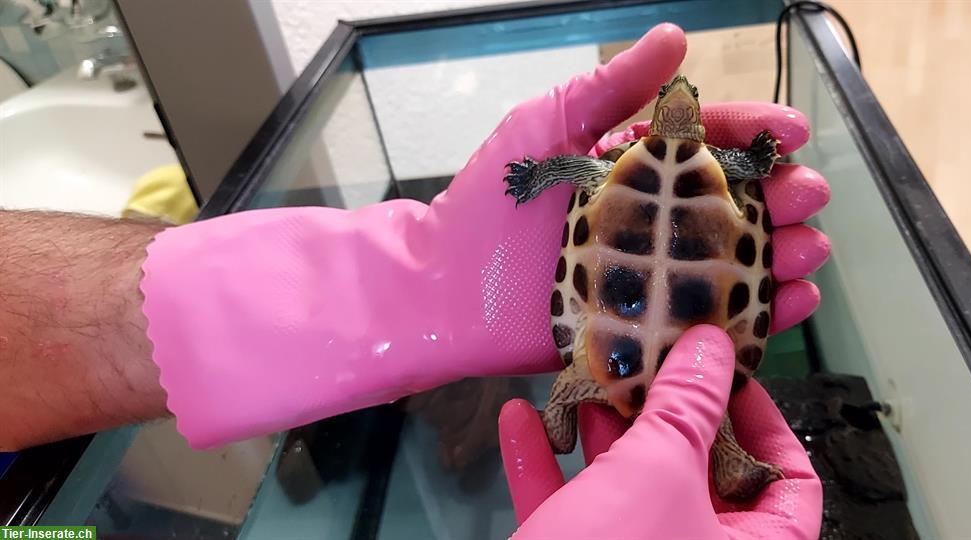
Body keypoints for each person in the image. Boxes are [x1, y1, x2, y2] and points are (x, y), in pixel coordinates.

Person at [0, 23, 828, 537]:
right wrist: (752, 164)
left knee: (587, 380)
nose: (680, 100)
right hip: (700, 312)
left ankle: (587, 415)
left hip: (601, 338)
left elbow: (582, 173)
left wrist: (518, 196)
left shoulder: (621, 172)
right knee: (622, 394)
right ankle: (644, 430)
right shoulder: (719, 177)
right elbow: (708, 169)